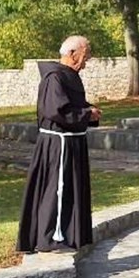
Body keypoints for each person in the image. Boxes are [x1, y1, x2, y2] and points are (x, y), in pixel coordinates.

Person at [18, 35, 101, 253]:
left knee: (68, 190)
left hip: (71, 143)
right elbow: (56, 110)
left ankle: (68, 233)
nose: (87, 60)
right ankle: (49, 237)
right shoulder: (54, 77)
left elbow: (73, 105)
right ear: (72, 54)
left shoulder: (70, 76)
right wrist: (86, 114)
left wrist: (88, 112)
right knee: (56, 189)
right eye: (85, 55)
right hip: (58, 145)